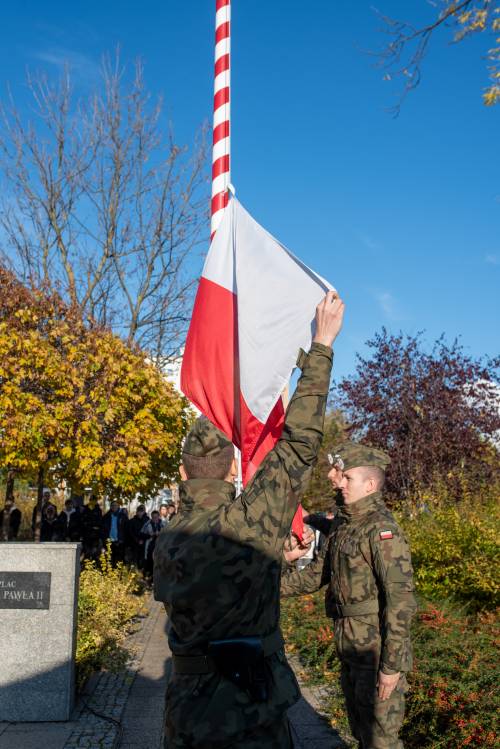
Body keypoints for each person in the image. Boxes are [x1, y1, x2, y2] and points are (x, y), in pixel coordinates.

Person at [154, 290, 345, 749]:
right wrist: (321, 346)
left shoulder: (166, 541)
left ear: (182, 473)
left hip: (187, 715)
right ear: (234, 468)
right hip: (251, 714)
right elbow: (299, 445)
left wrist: (269, 559)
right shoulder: (249, 522)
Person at [281, 442, 417, 749]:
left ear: (369, 485)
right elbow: (315, 576)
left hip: (376, 652)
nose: (337, 480)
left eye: (347, 477)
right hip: (350, 649)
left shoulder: (381, 530)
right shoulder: (344, 525)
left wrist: (391, 667)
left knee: (381, 741)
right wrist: (265, 585)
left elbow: (401, 601)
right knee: (360, 733)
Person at [103, 500, 128, 566]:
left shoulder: (123, 516)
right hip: (109, 541)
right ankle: (109, 574)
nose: (114, 507)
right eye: (112, 505)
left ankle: (119, 574)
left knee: (119, 560)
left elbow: (126, 529)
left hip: (119, 541)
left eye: (115, 505)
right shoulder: (106, 516)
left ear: (118, 506)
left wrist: (123, 539)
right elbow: (103, 529)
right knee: (109, 559)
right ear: (110, 507)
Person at [141, 510, 163, 582]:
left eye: (156, 517)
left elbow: (168, 533)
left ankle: (156, 578)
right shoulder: (147, 524)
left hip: (160, 545)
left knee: (158, 561)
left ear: (158, 516)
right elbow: (142, 534)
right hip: (150, 544)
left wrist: (160, 533)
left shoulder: (163, 523)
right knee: (149, 560)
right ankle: (147, 577)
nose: (155, 519)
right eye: (153, 517)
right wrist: (151, 534)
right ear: (151, 517)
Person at [81, 495, 104, 561]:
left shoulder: (98, 510)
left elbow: (99, 523)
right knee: (86, 552)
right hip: (86, 534)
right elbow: (83, 521)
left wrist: (92, 525)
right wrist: (91, 526)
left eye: (94, 500)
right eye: (91, 500)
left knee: (94, 553)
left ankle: (93, 567)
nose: (93, 502)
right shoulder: (85, 509)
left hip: (95, 535)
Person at [127, 504, 149, 569]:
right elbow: (130, 532)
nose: (140, 513)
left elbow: (148, 532)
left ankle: (142, 571)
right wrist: (137, 540)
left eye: (142, 511)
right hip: (134, 543)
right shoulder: (132, 521)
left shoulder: (147, 520)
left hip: (145, 543)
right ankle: (135, 571)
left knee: (143, 558)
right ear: (136, 512)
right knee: (135, 558)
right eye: (139, 511)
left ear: (144, 512)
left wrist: (143, 540)